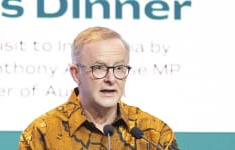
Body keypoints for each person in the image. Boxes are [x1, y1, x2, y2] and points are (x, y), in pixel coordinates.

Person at [18, 26, 179, 150]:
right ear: (76, 74)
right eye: (99, 68)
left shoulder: (154, 133)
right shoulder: (42, 133)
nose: (111, 79)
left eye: (119, 68)